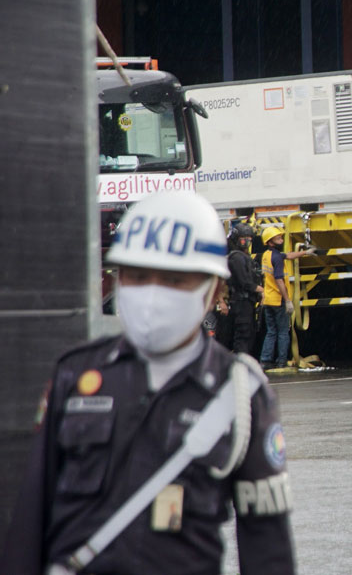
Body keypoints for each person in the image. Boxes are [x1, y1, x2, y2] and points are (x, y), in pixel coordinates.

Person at [1, 190, 296, 574]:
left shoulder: (240, 393)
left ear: (213, 291)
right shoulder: (76, 375)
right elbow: (29, 522)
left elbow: (268, 549)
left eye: (175, 279)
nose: (154, 293)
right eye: (138, 276)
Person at [259, 226, 314, 370]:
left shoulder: (267, 255)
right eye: (278, 238)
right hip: (278, 300)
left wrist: (305, 252)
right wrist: (288, 300)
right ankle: (281, 361)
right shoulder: (276, 258)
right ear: (270, 242)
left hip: (268, 300)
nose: (281, 240)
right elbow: (279, 280)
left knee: (271, 331)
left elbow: (288, 255)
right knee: (283, 332)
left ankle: (265, 360)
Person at [217, 223, 263, 356]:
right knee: (243, 335)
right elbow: (244, 281)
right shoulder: (236, 258)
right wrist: (259, 289)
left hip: (246, 302)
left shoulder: (243, 257)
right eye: (244, 239)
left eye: (249, 239)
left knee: (248, 334)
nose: (247, 242)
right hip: (241, 302)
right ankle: (240, 362)